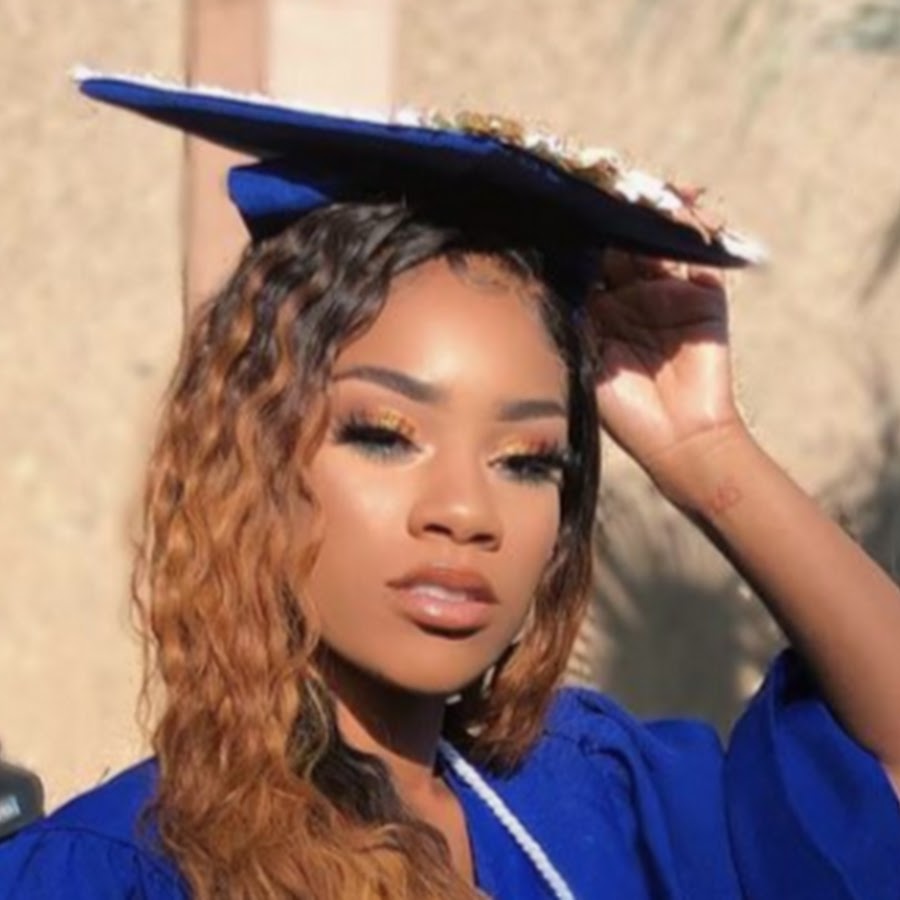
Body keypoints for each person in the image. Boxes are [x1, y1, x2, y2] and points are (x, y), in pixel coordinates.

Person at [0, 72, 897, 899]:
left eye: (527, 459)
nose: (466, 513)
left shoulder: (593, 799)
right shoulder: (112, 875)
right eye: (384, 436)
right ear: (255, 459)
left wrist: (708, 451)